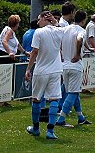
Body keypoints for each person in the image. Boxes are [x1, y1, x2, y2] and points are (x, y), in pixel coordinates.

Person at [25, 11, 64, 140]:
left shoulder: (39, 32)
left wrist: (28, 69)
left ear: (44, 19)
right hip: (55, 70)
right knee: (54, 99)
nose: (37, 22)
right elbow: (62, 29)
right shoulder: (59, 30)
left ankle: (36, 128)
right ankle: (50, 130)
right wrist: (55, 22)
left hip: (41, 70)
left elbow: (34, 51)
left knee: (36, 98)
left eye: (39, 19)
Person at [56, 10, 93, 128]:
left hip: (65, 65)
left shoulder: (66, 28)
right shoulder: (81, 30)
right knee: (73, 93)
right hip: (75, 65)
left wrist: (62, 52)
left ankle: (80, 117)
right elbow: (79, 39)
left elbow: (59, 41)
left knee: (74, 92)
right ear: (83, 20)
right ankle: (61, 119)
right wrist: (77, 54)